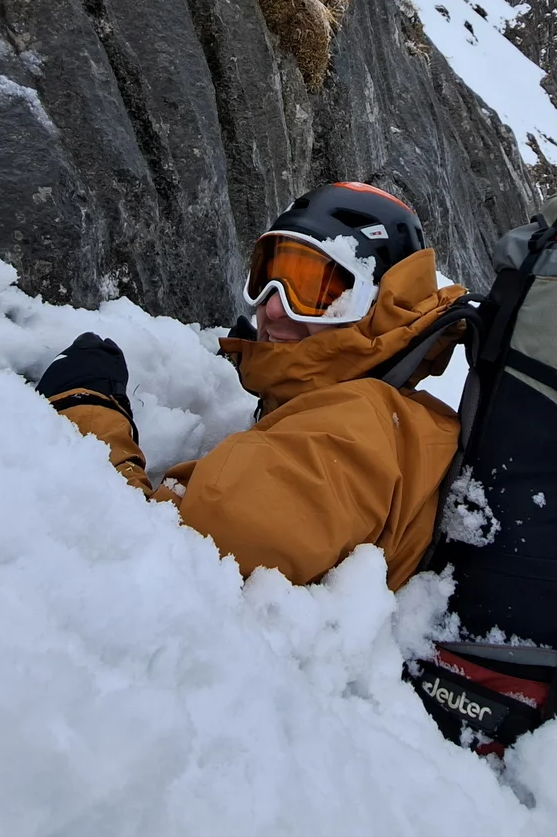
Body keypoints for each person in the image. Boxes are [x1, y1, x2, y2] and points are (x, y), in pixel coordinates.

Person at [36, 182, 467, 588]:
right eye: (269, 277)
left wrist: (85, 413)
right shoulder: (378, 415)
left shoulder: (344, 435)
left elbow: (160, 567)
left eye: (314, 289)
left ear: (381, 310)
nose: (274, 308)